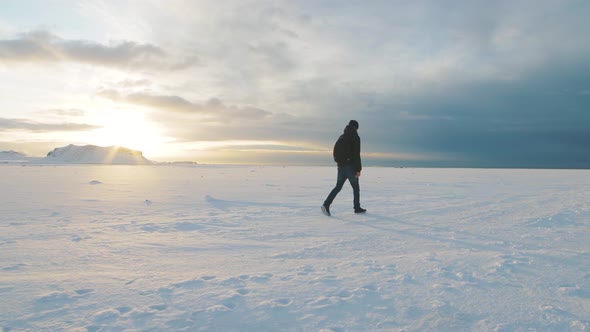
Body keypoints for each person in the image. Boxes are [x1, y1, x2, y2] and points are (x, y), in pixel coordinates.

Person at [322, 120, 366, 216]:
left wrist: (339, 163)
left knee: (338, 186)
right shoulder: (355, 137)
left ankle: (326, 204)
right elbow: (356, 154)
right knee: (355, 187)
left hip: (340, 166)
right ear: (356, 127)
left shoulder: (342, 136)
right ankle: (357, 207)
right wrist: (358, 169)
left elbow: (335, 152)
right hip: (350, 166)